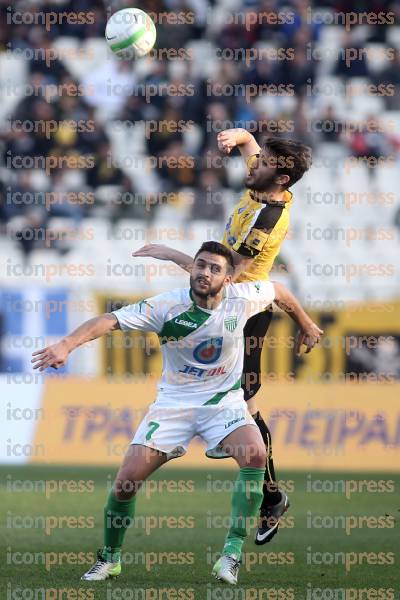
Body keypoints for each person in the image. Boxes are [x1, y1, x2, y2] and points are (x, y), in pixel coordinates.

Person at [31, 241, 322, 585]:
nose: (204, 273)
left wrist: (305, 323)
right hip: (173, 406)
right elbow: (109, 321)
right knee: (125, 483)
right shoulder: (167, 306)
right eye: (200, 265)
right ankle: (109, 559)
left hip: (223, 403)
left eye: (215, 269)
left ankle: (231, 555)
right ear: (192, 268)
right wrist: (66, 344)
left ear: (228, 279)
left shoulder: (242, 298)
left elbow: (279, 291)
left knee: (256, 454)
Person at [132, 129, 312, 544]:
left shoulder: (267, 219)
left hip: (244, 309)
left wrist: (174, 255)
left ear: (281, 178)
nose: (254, 165)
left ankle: (270, 499)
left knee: (247, 406)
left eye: (263, 162)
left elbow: (221, 273)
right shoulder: (265, 178)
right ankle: (184, 433)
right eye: (260, 159)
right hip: (224, 305)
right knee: (200, 375)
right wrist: (243, 135)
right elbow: (251, 150)